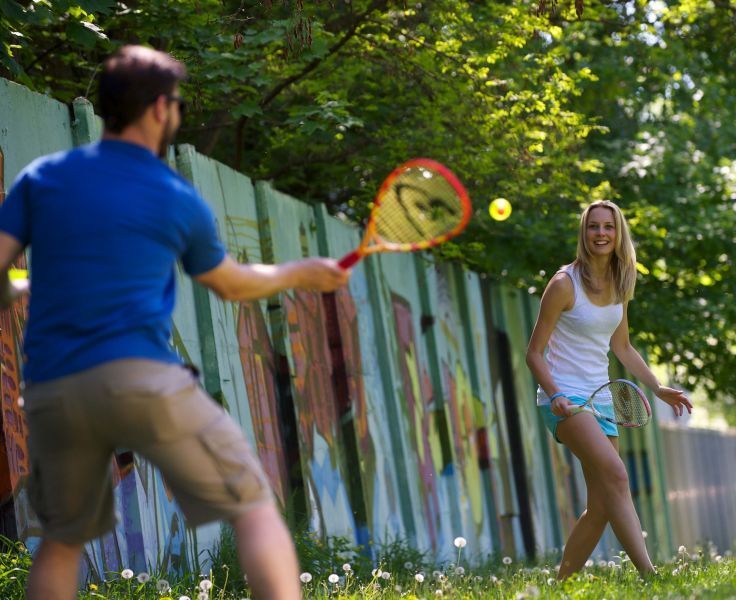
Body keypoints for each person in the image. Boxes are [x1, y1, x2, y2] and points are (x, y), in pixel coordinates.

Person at [0, 45, 350, 600]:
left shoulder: (43, 177)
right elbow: (230, 284)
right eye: (178, 104)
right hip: (144, 378)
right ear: (160, 108)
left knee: (61, 542)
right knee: (253, 504)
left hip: (54, 386)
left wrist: (15, 287)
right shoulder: (173, 193)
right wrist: (300, 272)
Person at [525, 200, 692, 579]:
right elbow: (533, 353)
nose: (601, 234)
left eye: (608, 227)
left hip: (601, 400)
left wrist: (658, 387)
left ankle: (559, 583)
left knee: (601, 505)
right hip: (565, 400)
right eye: (593, 227)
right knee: (618, 476)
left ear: (619, 235)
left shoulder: (620, 281)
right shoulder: (564, 284)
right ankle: (651, 577)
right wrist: (555, 395)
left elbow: (623, 346)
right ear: (584, 234)